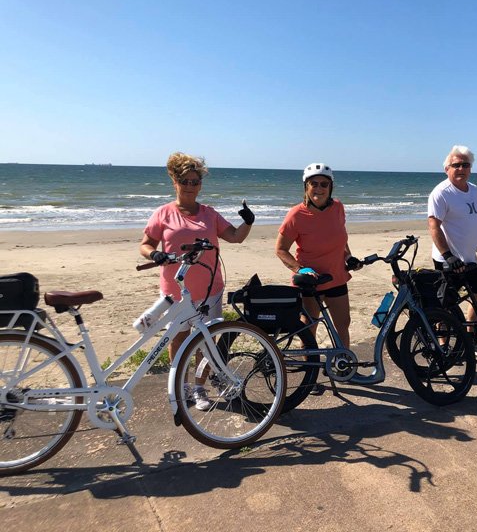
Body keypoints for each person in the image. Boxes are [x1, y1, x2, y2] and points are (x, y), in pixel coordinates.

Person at [140, 152, 255, 410]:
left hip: (210, 290)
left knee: (205, 341)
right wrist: (155, 254)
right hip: (176, 291)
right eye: (186, 181)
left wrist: (248, 222)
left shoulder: (209, 214)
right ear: (175, 182)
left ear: (200, 184)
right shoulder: (163, 214)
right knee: (178, 340)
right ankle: (180, 387)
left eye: (195, 182)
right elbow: (145, 245)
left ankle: (200, 387)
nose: (191, 186)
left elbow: (235, 237)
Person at [275, 163, 362, 349]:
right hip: (310, 281)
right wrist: (300, 269)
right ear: (306, 186)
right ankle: (310, 371)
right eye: (314, 183)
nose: (319, 188)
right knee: (309, 329)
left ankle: (344, 364)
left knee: (342, 325)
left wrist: (348, 257)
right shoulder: (296, 215)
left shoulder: (338, 207)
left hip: (336, 277)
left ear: (331, 187)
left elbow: (340, 237)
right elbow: (281, 249)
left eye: (324, 184)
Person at [428, 145, 477, 357]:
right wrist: (448, 255)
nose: (461, 169)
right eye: (456, 165)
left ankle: (469, 337)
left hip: (470, 257)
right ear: (447, 168)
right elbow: (433, 225)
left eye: (465, 165)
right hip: (448, 260)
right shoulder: (441, 193)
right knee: (445, 306)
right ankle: (443, 346)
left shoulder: (474, 190)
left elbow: (476, 218)